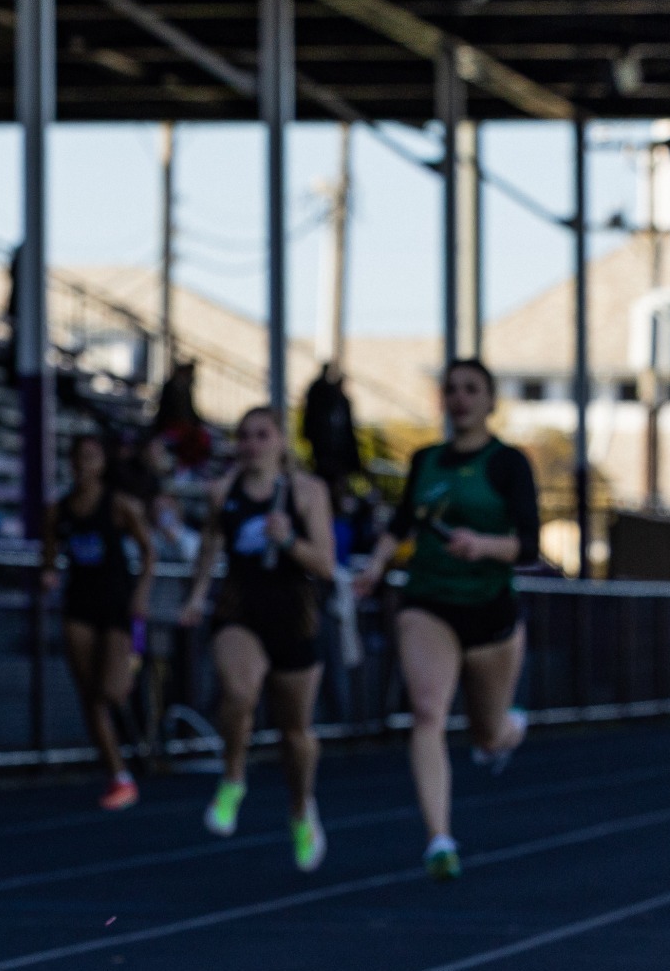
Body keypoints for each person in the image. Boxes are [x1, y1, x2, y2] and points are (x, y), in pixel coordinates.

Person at [355, 359, 537, 882]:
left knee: (486, 735)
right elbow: (402, 523)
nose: (459, 398)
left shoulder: (507, 463)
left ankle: (509, 729)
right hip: (428, 602)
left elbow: (529, 544)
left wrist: (482, 545)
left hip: (489, 611)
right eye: (451, 389)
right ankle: (439, 837)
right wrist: (374, 565)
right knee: (428, 711)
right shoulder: (424, 460)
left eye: (471, 389)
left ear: (489, 401)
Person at [179, 407, 335, 872]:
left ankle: (301, 808)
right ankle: (233, 777)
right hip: (239, 608)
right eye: (243, 436)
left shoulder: (307, 493)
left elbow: (326, 565)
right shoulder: (222, 491)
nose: (251, 444)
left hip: (294, 614)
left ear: (281, 440)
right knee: (239, 693)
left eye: (262, 435)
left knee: (295, 734)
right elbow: (210, 544)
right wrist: (196, 595)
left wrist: (288, 542)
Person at [43, 434, 156, 810]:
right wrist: (48, 575)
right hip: (79, 604)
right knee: (90, 695)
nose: (84, 464)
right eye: (78, 457)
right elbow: (48, 555)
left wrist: (141, 594)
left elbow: (149, 552)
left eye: (92, 456)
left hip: (116, 603)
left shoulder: (119, 505)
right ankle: (118, 775)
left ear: (102, 463)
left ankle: (131, 670)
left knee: (111, 691)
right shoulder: (59, 511)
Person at [302, 362, 364, 491]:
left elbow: (348, 430)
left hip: (340, 453)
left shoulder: (342, 402)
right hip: (325, 451)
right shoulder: (321, 395)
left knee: (339, 483)